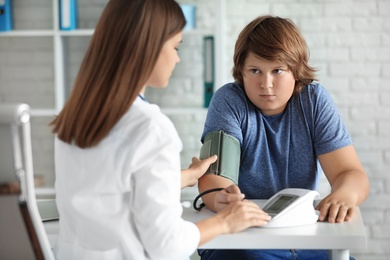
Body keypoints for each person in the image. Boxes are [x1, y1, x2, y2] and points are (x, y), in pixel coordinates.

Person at [50, 1, 272, 259]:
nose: (177, 58)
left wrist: (184, 177)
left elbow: (107, 191)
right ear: (148, 47)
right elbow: (167, 245)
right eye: (175, 46)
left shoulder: (75, 116)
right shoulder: (149, 128)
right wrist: (226, 222)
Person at [197, 15, 370, 260]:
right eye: (255, 70)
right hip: (240, 238)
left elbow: (351, 174)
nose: (265, 84)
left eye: (277, 70)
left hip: (303, 238)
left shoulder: (314, 100)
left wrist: (345, 195)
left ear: (296, 71)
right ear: (241, 72)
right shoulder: (228, 101)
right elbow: (214, 178)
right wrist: (222, 197)